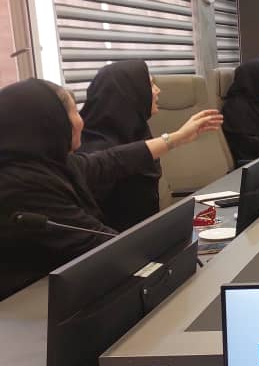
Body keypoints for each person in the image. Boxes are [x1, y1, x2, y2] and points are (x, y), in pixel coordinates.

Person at [0, 79, 221, 300]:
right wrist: (168, 247)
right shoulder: (23, 185)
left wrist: (177, 138)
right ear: (51, 122)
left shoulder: (48, 163)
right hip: (25, 301)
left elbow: (112, 161)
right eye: (74, 112)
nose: (81, 120)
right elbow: (97, 243)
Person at [78, 60, 223, 231]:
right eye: (151, 84)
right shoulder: (95, 150)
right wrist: (179, 136)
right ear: (130, 93)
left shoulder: (136, 130)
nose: (157, 90)